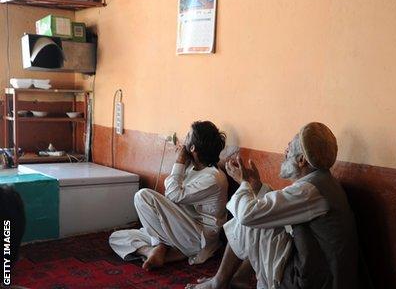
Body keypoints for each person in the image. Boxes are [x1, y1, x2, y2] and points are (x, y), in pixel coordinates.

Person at [188, 122, 359, 289]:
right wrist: (255, 185)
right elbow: (276, 207)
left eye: (289, 148)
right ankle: (235, 278)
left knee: (248, 221)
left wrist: (244, 183)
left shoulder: (309, 191)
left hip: (314, 280)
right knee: (257, 215)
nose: (285, 151)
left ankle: (220, 282)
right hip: (320, 270)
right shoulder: (321, 181)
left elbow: (249, 215)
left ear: (301, 160)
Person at [109, 121, 229, 270]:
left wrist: (179, 161)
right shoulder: (191, 168)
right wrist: (182, 165)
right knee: (117, 237)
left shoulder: (212, 178)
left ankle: (164, 247)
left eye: (187, 136)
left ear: (192, 148)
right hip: (176, 229)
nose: (184, 140)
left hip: (196, 237)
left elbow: (172, 195)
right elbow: (171, 191)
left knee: (143, 196)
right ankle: (155, 250)